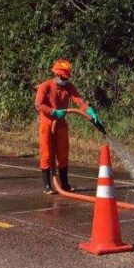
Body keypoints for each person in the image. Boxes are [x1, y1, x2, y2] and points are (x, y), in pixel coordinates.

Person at [34, 59, 102, 194]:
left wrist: (90, 111)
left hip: (61, 125)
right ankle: (47, 186)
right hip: (47, 125)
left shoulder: (69, 87)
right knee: (47, 154)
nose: (65, 80)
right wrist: (53, 111)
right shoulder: (45, 86)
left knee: (63, 154)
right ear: (56, 75)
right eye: (63, 77)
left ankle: (64, 184)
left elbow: (79, 101)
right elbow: (38, 105)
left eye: (66, 77)